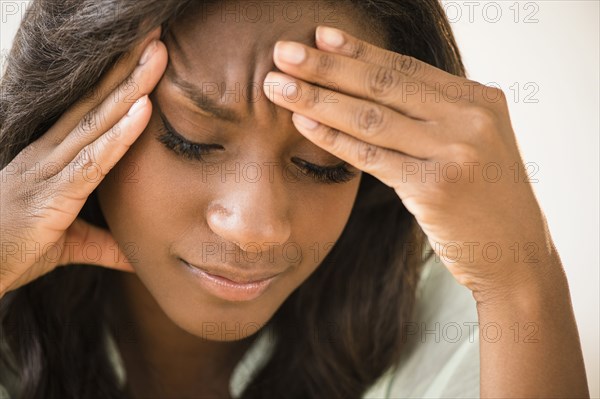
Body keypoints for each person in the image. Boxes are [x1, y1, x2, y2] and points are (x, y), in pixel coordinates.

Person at [0, 0, 589, 398]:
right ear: (68, 108)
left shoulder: (462, 337)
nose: (256, 227)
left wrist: (522, 281)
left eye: (322, 163)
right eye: (192, 140)